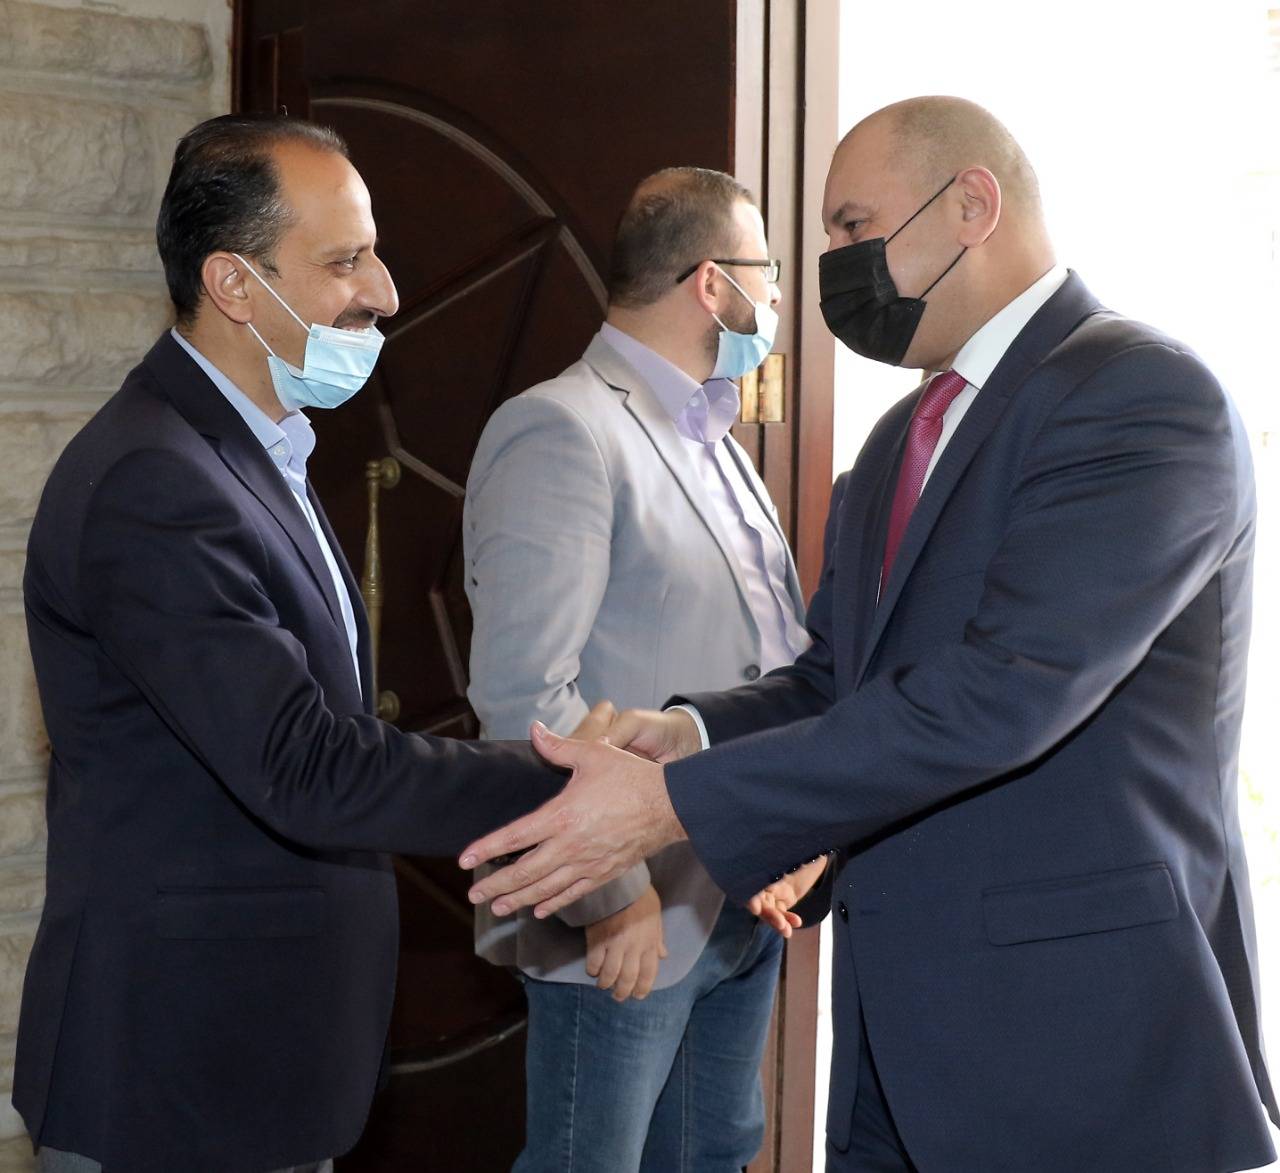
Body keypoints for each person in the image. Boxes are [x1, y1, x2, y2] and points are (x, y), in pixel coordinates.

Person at [461, 96, 1279, 1171]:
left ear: (971, 205)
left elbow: (1005, 692)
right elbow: (835, 679)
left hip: (1075, 1034)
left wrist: (669, 806)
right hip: (899, 1035)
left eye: (854, 227)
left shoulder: (1138, 395)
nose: (832, 267)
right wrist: (689, 735)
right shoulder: (899, 437)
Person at [13, 113, 569, 1173]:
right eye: (345, 261)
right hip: (178, 1073)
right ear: (233, 283)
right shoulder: (154, 481)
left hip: (254, 1059)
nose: (385, 292)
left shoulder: (250, 449)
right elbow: (302, 763)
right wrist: (572, 785)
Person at [464, 166, 826, 1172]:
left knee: (716, 1154)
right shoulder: (561, 427)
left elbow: (778, 658)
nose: (778, 300)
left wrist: (798, 825)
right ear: (714, 283)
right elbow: (526, 699)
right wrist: (613, 894)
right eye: (769, 274)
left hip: (741, 892)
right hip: (631, 921)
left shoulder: (719, 434)